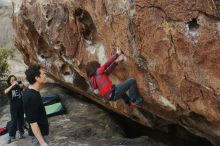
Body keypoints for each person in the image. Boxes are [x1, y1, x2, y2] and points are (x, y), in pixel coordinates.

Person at [23, 64, 49, 146]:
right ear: (37, 78)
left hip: (42, 134)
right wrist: (42, 143)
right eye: (43, 74)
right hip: (39, 138)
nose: (45, 75)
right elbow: (33, 123)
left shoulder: (33, 91)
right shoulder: (31, 97)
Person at [4, 75, 25, 144]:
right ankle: (11, 136)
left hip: (20, 106)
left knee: (21, 119)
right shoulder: (9, 88)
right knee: (14, 121)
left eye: (14, 79)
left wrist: (21, 84)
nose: (13, 81)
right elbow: (5, 92)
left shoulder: (18, 86)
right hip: (14, 107)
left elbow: (23, 86)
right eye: (12, 80)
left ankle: (21, 133)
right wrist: (12, 85)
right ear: (10, 82)